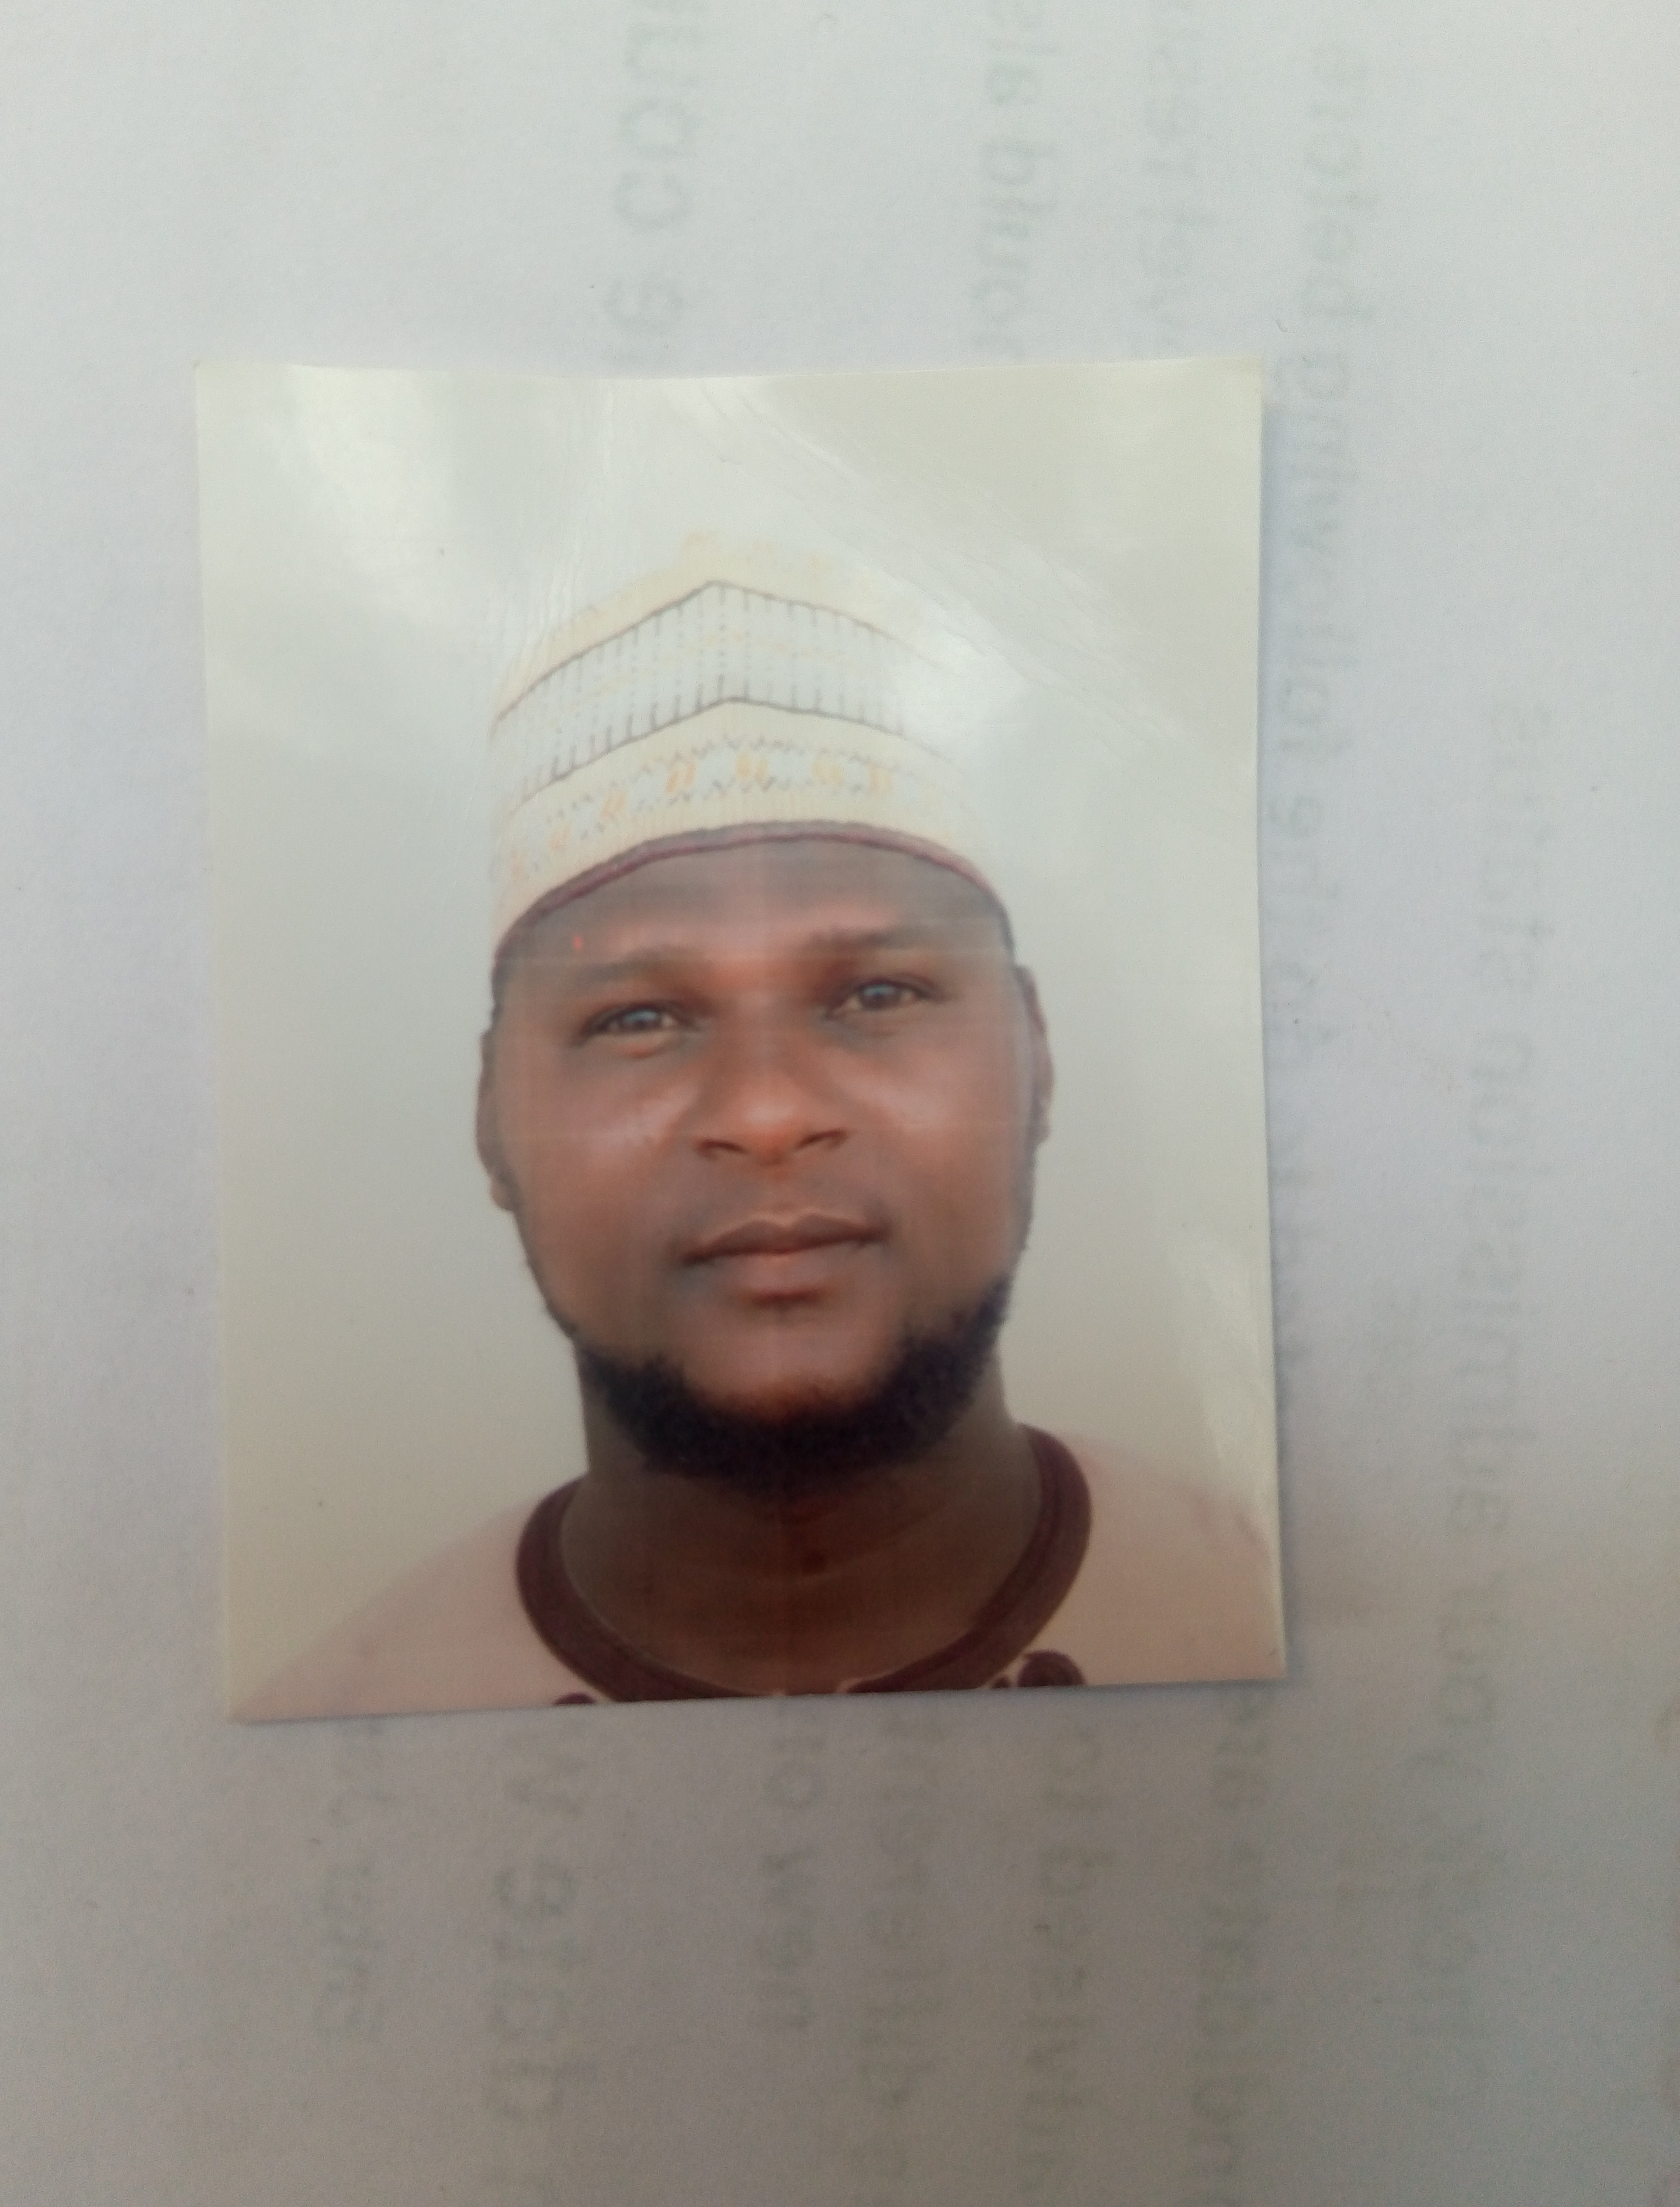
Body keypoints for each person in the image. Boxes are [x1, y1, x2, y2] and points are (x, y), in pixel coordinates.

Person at [241, 539, 1281, 1716]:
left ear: (1036, 1056)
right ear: (492, 1117)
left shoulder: (1269, 1626)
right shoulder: (340, 1735)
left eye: (878, 994)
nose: (766, 1112)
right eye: (637, 1018)